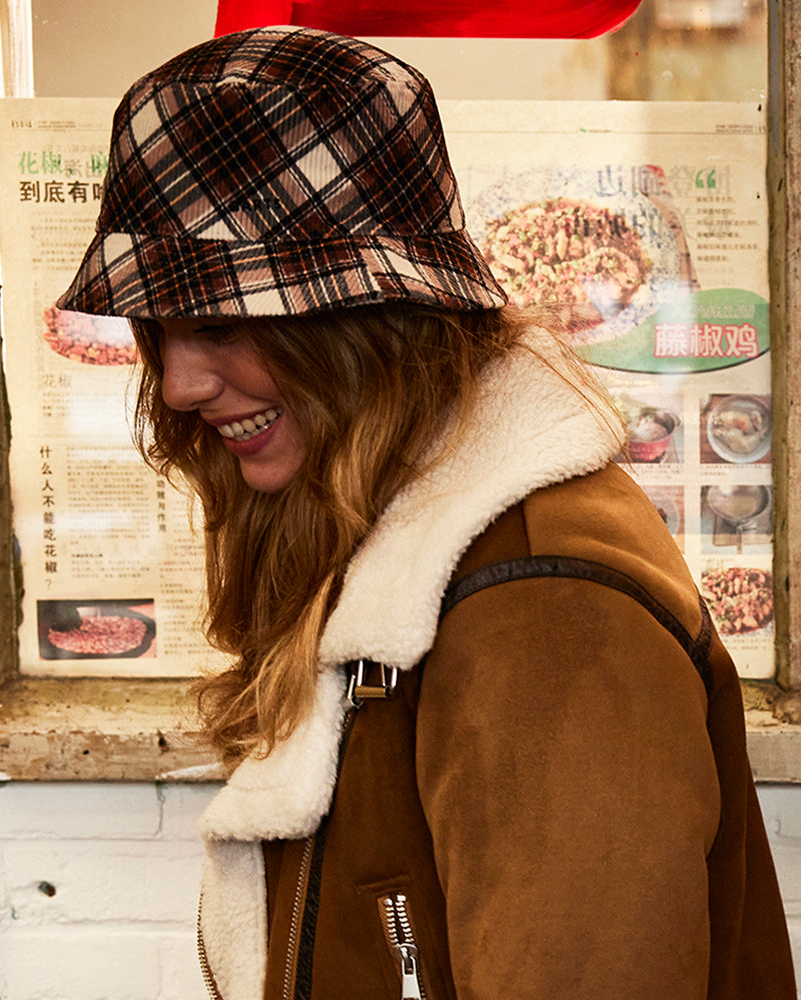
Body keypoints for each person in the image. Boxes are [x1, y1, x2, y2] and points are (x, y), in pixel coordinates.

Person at [58, 25, 796, 1000]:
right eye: (158, 328)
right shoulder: (404, 545)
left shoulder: (542, 610)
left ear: (371, 316)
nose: (181, 383)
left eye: (223, 321)